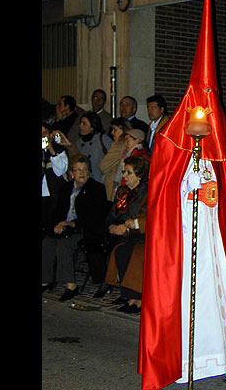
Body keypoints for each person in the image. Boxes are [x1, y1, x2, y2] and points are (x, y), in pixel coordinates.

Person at [139, 0, 226, 388]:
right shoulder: (171, 139)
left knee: (223, 292)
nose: (207, 110)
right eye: (203, 99)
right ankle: (186, 362)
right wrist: (188, 187)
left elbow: (223, 191)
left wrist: (207, 183)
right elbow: (162, 190)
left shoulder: (217, 147)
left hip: (213, 235)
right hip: (184, 236)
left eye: (213, 100)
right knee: (191, 297)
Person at [42, 154, 108, 301]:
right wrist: (56, 224)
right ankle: (46, 280)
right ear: (71, 173)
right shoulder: (66, 189)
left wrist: (73, 223)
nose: (82, 173)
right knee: (47, 242)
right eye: (78, 170)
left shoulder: (96, 189)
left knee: (63, 245)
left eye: (85, 170)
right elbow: (57, 210)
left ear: (89, 171)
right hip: (65, 228)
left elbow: (95, 216)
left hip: (84, 229)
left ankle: (71, 285)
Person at [101, 156, 150, 311]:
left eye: (128, 173)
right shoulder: (122, 191)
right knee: (120, 250)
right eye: (123, 172)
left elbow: (142, 215)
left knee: (129, 252)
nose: (124, 176)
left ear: (139, 175)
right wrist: (112, 226)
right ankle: (128, 295)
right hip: (122, 232)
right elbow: (111, 215)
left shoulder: (146, 193)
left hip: (141, 234)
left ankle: (136, 298)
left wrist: (125, 227)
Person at [42, 123, 68, 238]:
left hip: (54, 195)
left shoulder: (59, 150)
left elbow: (61, 170)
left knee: (51, 229)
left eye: (45, 133)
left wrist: (52, 151)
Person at [99, 117, 133, 202]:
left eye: (115, 129)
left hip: (113, 186)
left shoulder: (119, 145)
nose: (112, 132)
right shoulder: (126, 144)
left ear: (123, 130)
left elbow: (102, 166)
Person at [76, 111, 108, 183]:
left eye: (84, 124)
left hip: (101, 181)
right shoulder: (79, 143)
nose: (81, 125)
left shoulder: (102, 139)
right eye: (80, 123)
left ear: (92, 127)